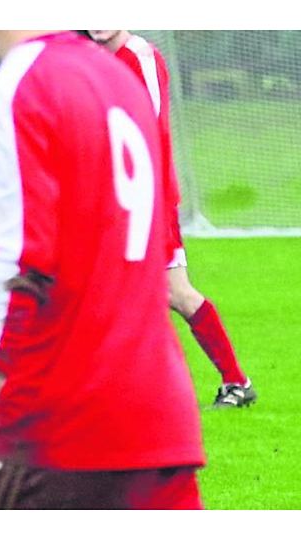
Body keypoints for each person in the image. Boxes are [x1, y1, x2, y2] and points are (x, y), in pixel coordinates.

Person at [0, 31, 205, 510]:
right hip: (162, 418)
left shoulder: (20, 85)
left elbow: (18, 264)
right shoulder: (119, 79)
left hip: (60, 422)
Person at [88, 30, 256, 408]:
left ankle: (230, 382)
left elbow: (147, 131)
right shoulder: (95, 60)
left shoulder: (139, 57)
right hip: (114, 202)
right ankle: (229, 383)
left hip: (147, 201)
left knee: (168, 293)